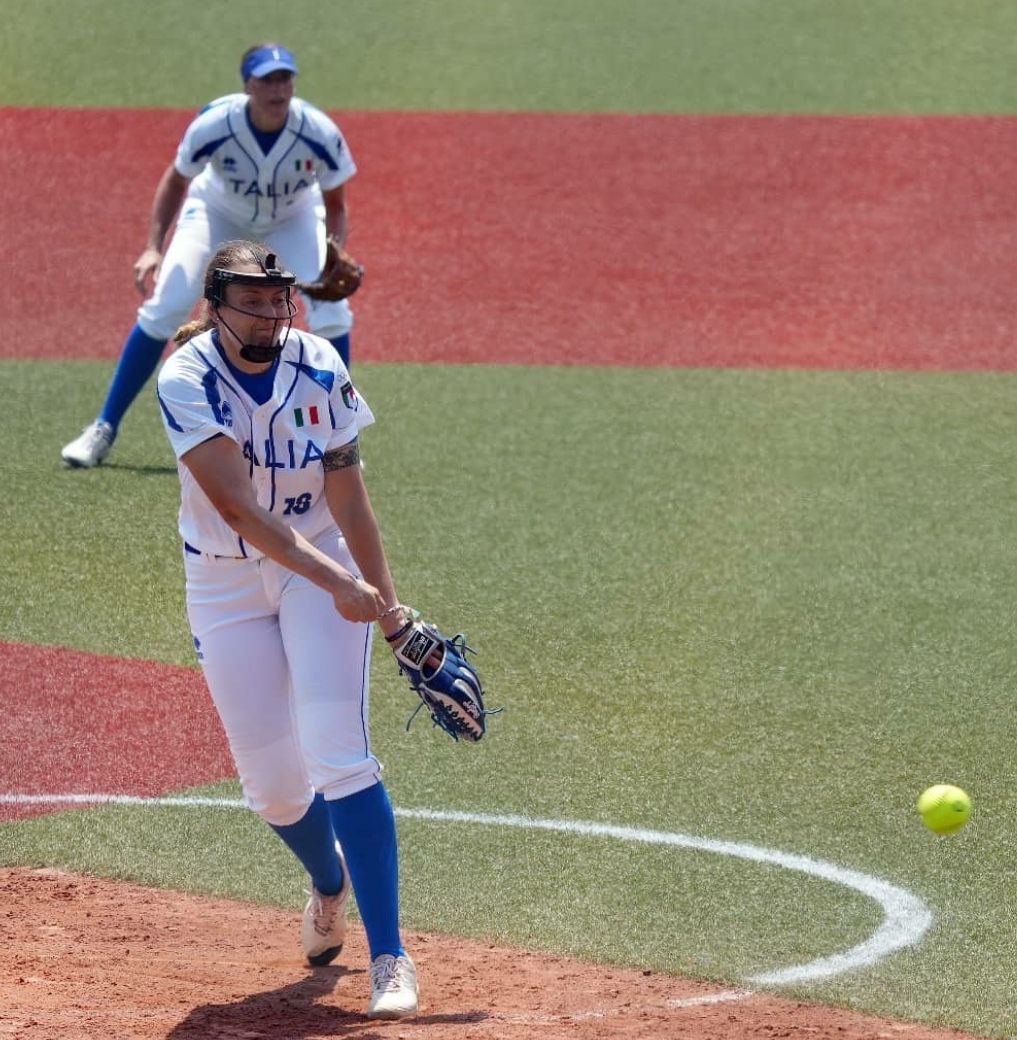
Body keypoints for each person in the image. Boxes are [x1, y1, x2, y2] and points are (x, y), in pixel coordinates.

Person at [155, 239, 418, 1019]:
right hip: (226, 580)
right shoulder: (186, 378)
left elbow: (349, 498)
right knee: (271, 788)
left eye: (279, 299)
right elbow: (237, 507)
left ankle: (389, 957)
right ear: (216, 305)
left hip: (322, 566)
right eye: (255, 300)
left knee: (338, 753)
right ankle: (329, 882)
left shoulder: (319, 365)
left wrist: (390, 609)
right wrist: (342, 584)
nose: (273, 313)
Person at [62, 42, 358, 469]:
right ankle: (103, 427)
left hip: (291, 217)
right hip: (218, 210)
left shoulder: (318, 131)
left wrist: (335, 250)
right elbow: (176, 180)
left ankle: (337, 439)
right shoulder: (215, 123)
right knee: (168, 304)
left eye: (285, 79)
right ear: (248, 86)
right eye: (267, 80)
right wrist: (152, 248)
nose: (278, 90)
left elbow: (336, 202)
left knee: (332, 311)